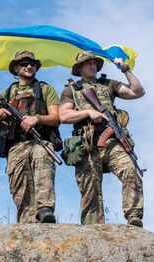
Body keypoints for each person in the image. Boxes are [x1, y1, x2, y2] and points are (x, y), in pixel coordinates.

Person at [59, 51, 145, 227]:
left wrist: (125, 70)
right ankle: (93, 228)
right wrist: (87, 112)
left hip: (112, 140)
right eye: (87, 63)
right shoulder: (72, 90)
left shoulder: (108, 84)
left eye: (94, 63)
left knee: (130, 171)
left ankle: (133, 215)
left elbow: (138, 91)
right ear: (79, 68)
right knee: (90, 189)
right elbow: (64, 115)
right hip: (87, 143)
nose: (92, 65)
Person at [0, 51, 60, 224]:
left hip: (39, 140)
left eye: (32, 64)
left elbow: (56, 118)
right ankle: (27, 223)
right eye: (24, 64)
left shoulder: (45, 89)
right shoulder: (7, 92)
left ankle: (45, 209)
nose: (29, 66)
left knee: (43, 154)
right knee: (20, 188)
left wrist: (36, 118)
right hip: (16, 145)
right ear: (16, 68)